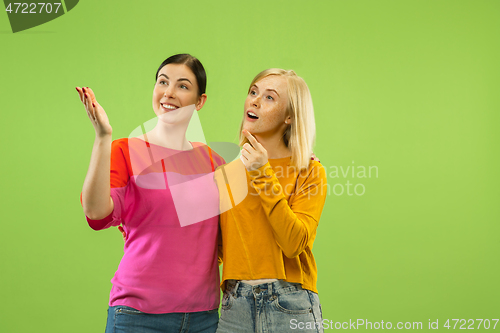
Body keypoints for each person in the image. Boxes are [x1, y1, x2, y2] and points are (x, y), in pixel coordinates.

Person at [77, 54, 224, 333]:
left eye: (182, 86)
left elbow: (237, 229)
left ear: (199, 101)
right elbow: (96, 214)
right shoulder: (124, 151)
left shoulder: (214, 163)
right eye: (162, 82)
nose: (168, 93)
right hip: (138, 316)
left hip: (203, 318)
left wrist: (295, 160)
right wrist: (102, 137)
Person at [216, 69, 327, 333]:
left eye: (269, 98)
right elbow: (216, 251)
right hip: (235, 307)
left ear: (289, 117)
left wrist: (261, 172)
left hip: (290, 303)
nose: (254, 101)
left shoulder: (310, 171)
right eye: (253, 92)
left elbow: (293, 243)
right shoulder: (225, 175)